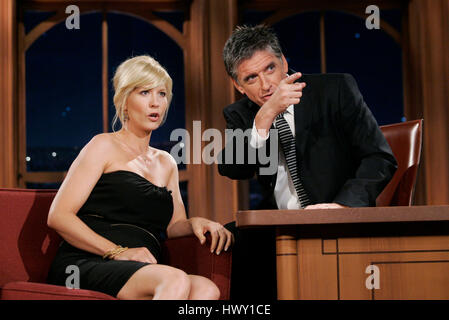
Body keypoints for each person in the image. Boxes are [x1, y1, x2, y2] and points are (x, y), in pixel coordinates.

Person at [218, 25, 397, 299]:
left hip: (336, 214)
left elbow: (379, 158)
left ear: (284, 63)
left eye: (270, 69)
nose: (266, 85)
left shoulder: (334, 90)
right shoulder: (241, 115)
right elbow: (232, 168)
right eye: (251, 77)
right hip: (279, 228)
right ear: (238, 85)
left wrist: (341, 206)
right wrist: (263, 119)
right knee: (233, 242)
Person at [47, 55, 233, 300]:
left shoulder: (166, 162)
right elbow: (58, 216)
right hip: (88, 261)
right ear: (124, 102)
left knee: (207, 289)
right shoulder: (102, 145)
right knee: (174, 278)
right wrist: (117, 251)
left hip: (143, 265)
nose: (155, 103)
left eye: (162, 94)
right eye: (145, 93)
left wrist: (195, 222)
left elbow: (174, 226)